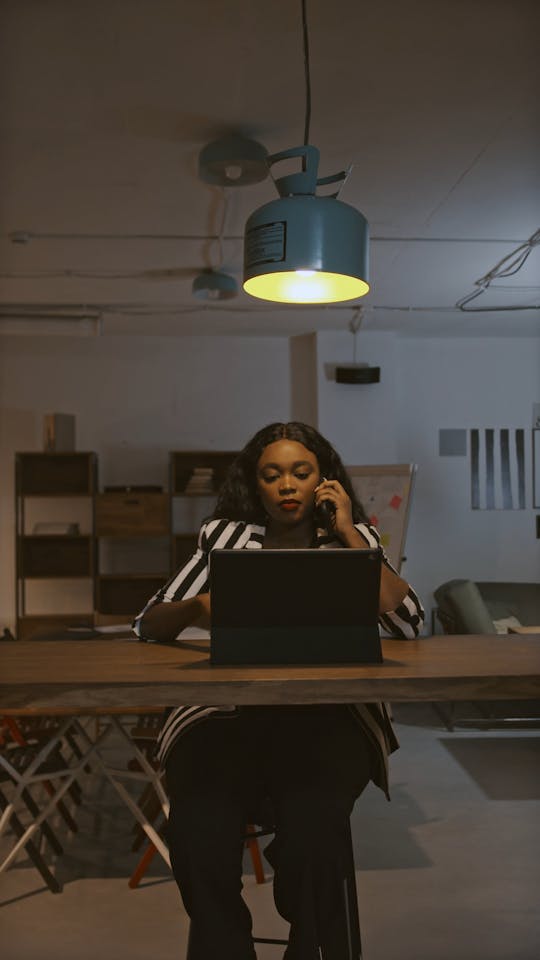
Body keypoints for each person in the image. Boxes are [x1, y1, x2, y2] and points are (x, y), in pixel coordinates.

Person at [133, 421, 424, 960]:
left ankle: (307, 943)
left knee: (315, 832)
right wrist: (199, 605)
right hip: (223, 719)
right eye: (272, 475)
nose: (287, 485)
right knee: (196, 834)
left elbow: (407, 624)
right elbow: (148, 624)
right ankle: (227, 946)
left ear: (324, 481)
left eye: (301, 472)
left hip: (327, 719)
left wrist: (351, 536)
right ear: (256, 484)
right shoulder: (223, 538)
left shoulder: (352, 540)